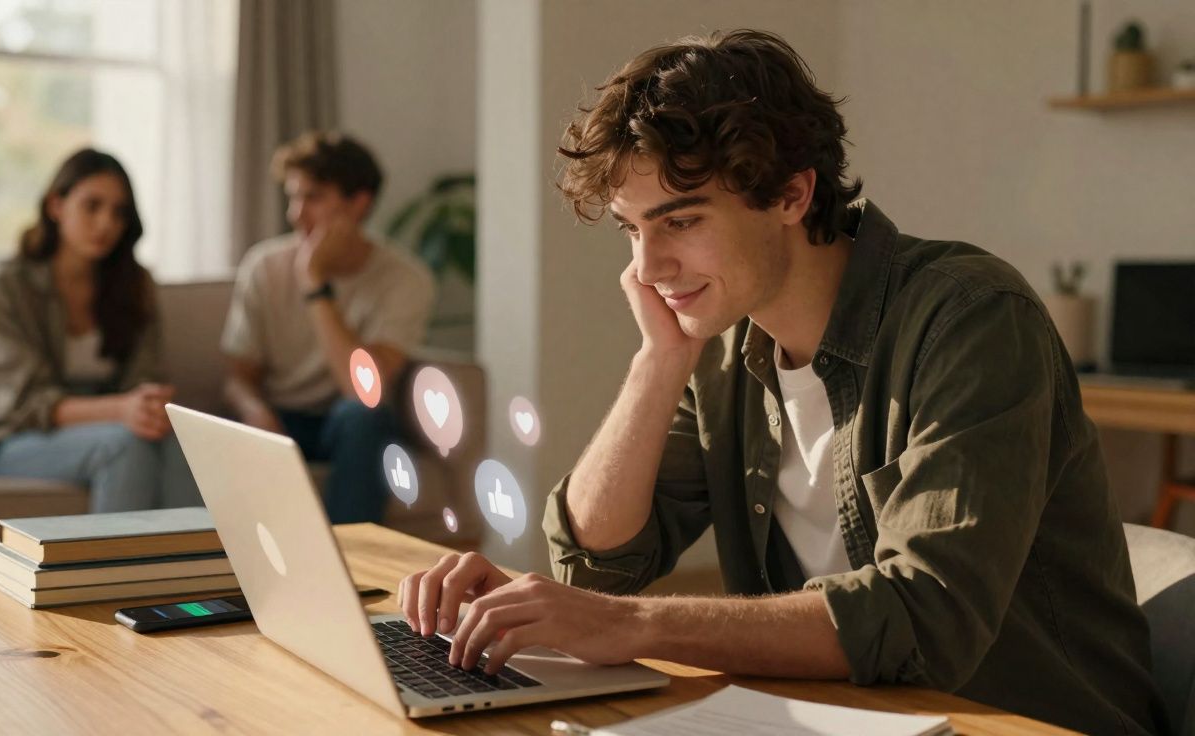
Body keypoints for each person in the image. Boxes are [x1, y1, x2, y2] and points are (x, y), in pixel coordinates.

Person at [397, 30, 1165, 735]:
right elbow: (597, 564)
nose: (646, 268)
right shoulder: (732, 346)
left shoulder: (970, 318)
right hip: (838, 718)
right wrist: (658, 361)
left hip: (1013, 722)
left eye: (681, 221)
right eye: (634, 230)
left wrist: (632, 625)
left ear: (793, 195)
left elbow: (922, 617)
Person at [0, 148, 200, 513]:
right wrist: (121, 409)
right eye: (92, 206)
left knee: (177, 444)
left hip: (109, 427)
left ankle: (189, 569)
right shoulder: (7, 286)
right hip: (15, 437)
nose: (106, 223)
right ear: (56, 206)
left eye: (118, 212)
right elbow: (28, 401)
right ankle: (114, 571)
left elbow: (145, 378)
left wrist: (147, 408)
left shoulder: (135, 284)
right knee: (124, 445)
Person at [221, 132, 434, 524]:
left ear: (359, 203)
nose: (294, 214)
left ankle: (352, 563)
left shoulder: (405, 280)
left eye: (312, 198)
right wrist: (256, 414)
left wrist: (315, 284)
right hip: (280, 415)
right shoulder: (264, 267)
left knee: (365, 417)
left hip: (346, 422)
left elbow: (363, 391)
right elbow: (238, 379)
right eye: (292, 196)